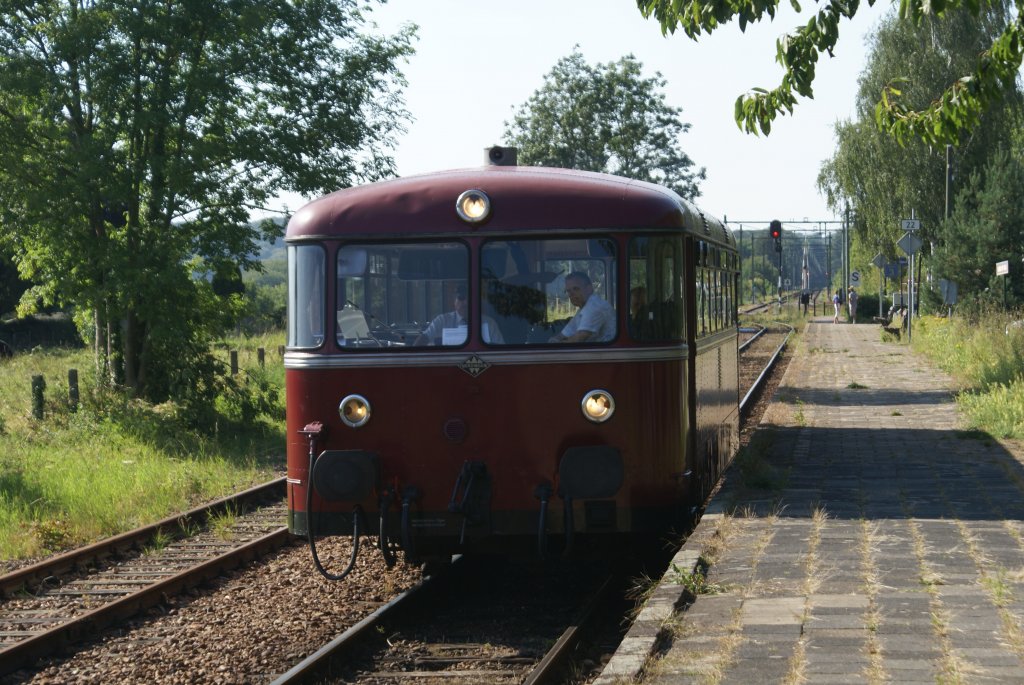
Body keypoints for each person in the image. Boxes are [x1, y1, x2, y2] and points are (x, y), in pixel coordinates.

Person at [414, 285, 504, 346]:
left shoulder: (489, 323)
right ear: (454, 301)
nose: (466, 302)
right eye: (461, 298)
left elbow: (500, 348)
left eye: (470, 298)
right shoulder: (442, 320)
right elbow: (424, 338)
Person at [550, 271, 616, 343]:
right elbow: (564, 334)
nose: (571, 294)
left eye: (576, 289)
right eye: (568, 291)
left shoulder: (594, 306)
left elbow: (578, 339)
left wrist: (553, 346)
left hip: (607, 353)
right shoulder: (583, 308)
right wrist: (553, 340)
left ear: (589, 288)